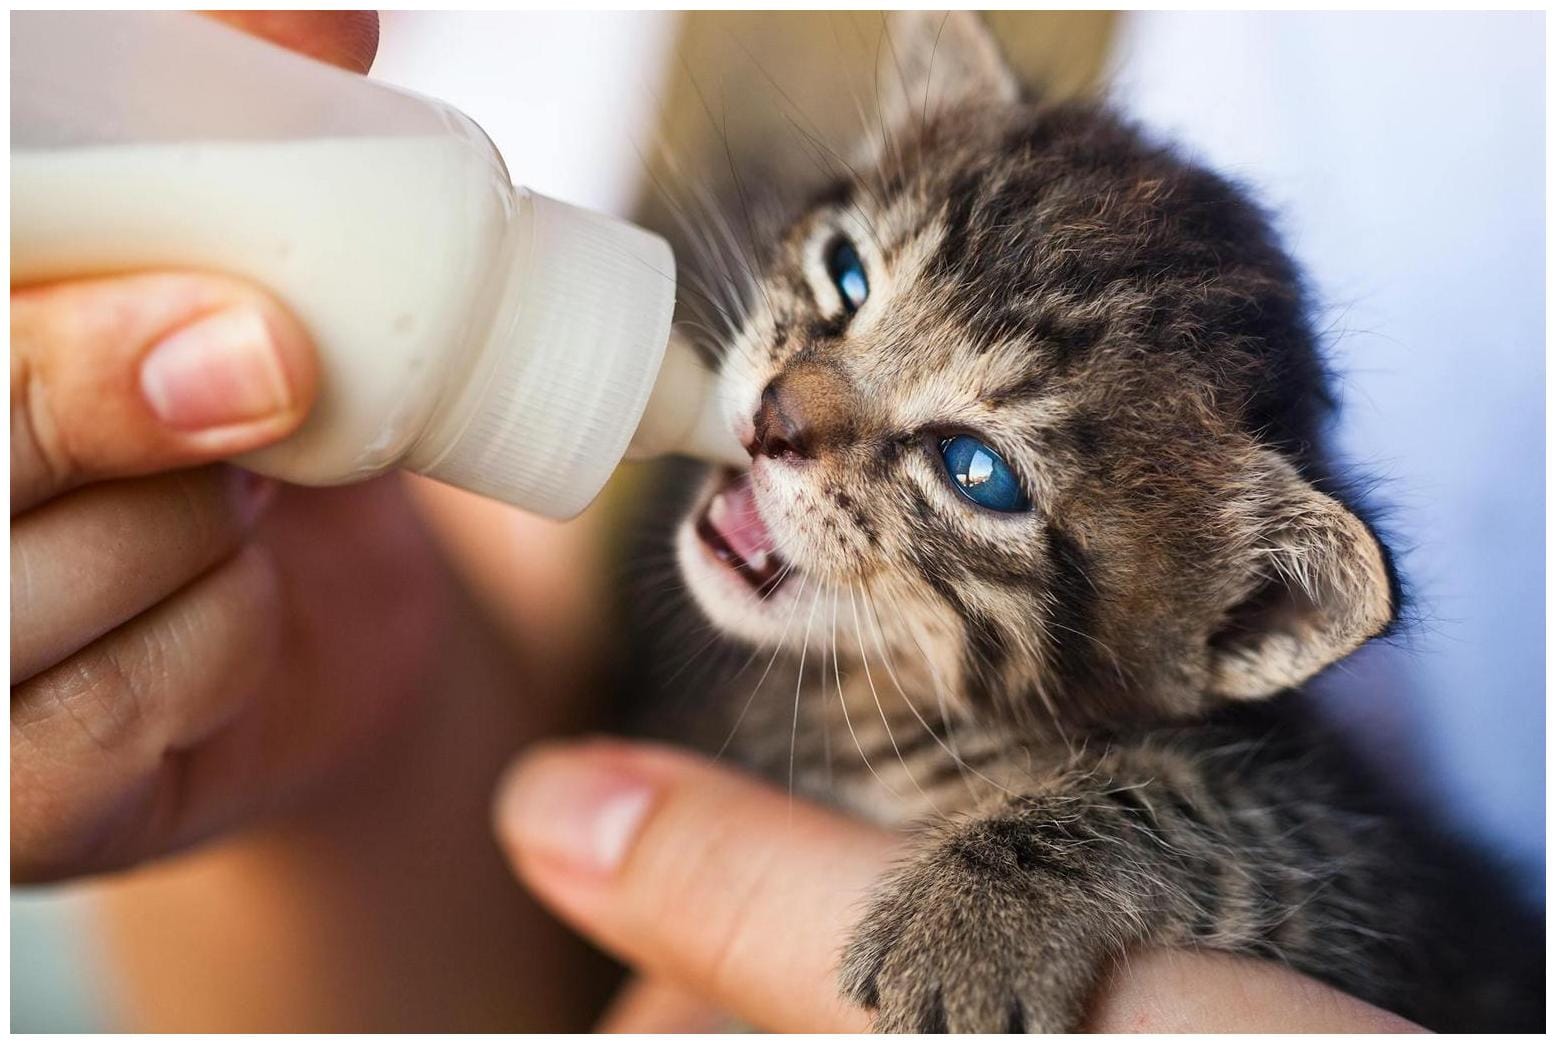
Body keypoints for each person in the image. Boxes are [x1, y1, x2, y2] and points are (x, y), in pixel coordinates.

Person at [10, 10, 1421, 1033]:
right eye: (849, 277)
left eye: (974, 467)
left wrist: (1042, 875)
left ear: (1232, 617)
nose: (789, 412)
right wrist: (344, 757)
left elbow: (1313, 868)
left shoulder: (1170, 681)